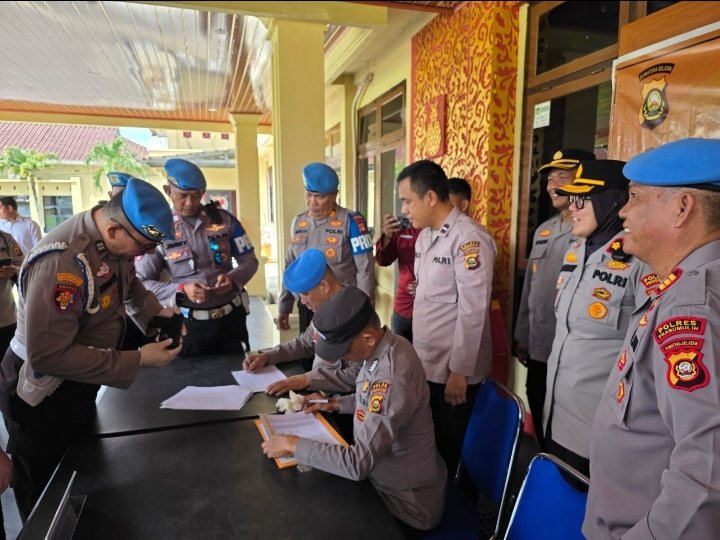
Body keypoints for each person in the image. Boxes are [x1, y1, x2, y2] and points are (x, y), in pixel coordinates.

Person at [0, 178, 181, 520]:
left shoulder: (110, 241)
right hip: (41, 395)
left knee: (83, 478)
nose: (146, 255)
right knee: (47, 498)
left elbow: (130, 285)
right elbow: (48, 355)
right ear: (114, 230)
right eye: (143, 247)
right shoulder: (63, 264)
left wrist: (157, 316)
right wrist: (137, 359)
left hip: (81, 379)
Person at [583, 138, 720, 538]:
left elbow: (707, 473)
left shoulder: (691, 308)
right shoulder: (681, 285)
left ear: (682, 208)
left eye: (635, 197)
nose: (622, 211)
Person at [261, 286, 447, 532]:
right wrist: (334, 403)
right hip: (382, 478)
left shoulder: (392, 378)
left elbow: (357, 463)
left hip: (405, 504)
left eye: (343, 350)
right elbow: (370, 397)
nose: (340, 357)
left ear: (367, 337)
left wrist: (293, 444)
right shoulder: (389, 344)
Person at [541, 160, 656, 478]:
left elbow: (646, 356)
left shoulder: (641, 261)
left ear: (612, 201)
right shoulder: (576, 248)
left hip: (597, 429)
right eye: (571, 198)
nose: (572, 207)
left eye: (582, 199)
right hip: (556, 412)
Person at [398, 159, 496, 473]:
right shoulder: (425, 236)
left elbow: (473, 309)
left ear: (430, 197)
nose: (404, 210)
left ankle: (454, 498)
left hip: (453, 372)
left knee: (452, 450)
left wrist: (460, 370)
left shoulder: (469, 240)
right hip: (427, 362)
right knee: (431, 443)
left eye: (407, 201)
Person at [513, 148, 595, 445]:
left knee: (566, 429)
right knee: (537, 403)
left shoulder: (591, 231)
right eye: (550, 178)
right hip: (539, 345)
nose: (552, 185)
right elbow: (531, 288)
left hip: (571, 352)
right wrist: (522, 334)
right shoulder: (544, 231)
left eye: (562, 177)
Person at [136, 158, 259, 356]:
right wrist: (181, 290)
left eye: (196, 195)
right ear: (168, 190)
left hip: (231, 321)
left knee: (237, 373)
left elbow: (250, 261)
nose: (190, 203)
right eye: (182, 196)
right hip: (189, 327)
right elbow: (141, 282)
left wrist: (233, 279)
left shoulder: (225, 220)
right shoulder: (159, 230)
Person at [275, 162, 374, 340]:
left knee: (340, 355)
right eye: (309, 195)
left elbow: (365, 270)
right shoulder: (298, 223)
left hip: (342, 306)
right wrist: (284, 305)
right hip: (307, 306)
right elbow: (290, 266)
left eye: (319, 197)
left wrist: (365, 313)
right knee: (308, 351)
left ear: (334, 195)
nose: (312, 202)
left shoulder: (352, 222)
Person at [243, 248, 360, 397]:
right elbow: (305, 343)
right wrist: (267, 357)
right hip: (319, 393)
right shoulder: (324, 307)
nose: (303, 302)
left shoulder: (355, 313)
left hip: (343, 401)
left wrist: (308, 379)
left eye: (305, 294)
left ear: (324, 286)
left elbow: (359, 373)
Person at [0, 231, 21, 539]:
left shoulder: (5, 239)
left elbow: (25, 270)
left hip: (8, 324)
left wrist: (13, 271)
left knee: (11, 390)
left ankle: (14, 452)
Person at [374, 214, 420, 342]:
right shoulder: (404, 228)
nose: (404, 209)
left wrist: (426, 284)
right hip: (403, 307)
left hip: (431, 310)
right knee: (399, 351)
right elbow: (382, 260)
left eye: (408, 204)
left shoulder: (438, 229)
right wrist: (387, 236)